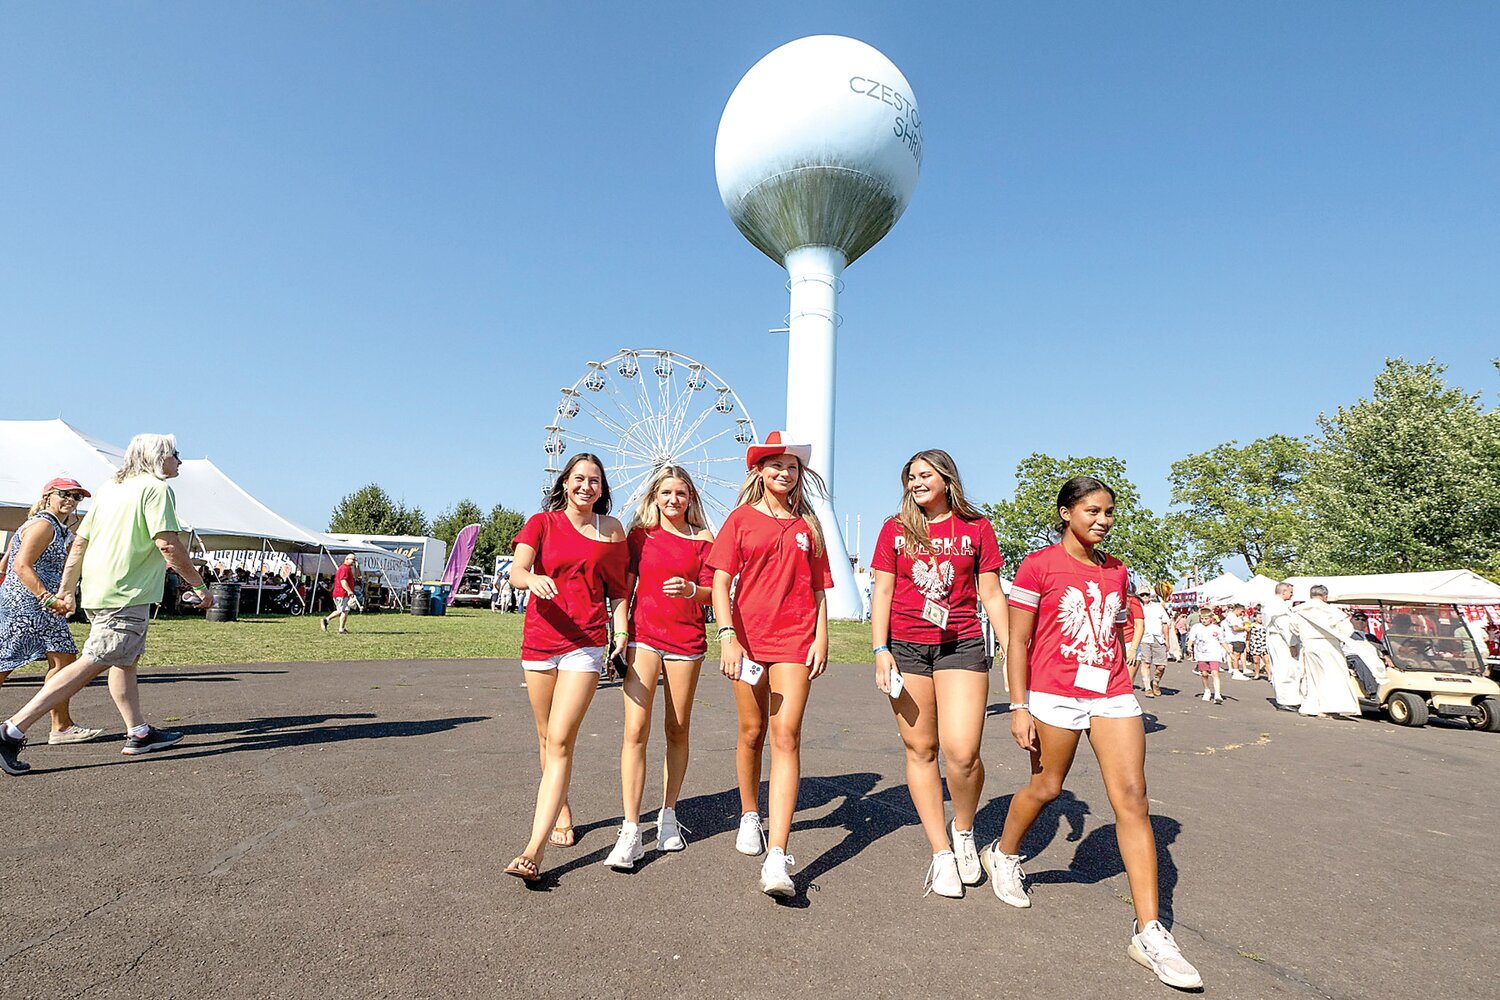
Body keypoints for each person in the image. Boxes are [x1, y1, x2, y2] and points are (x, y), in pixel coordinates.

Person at [981, 476, 1200, 989]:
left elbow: (1121, 624)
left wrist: (1123, 648)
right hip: (1053, 693)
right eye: (1091, 512)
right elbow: (1018, 641)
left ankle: (1149, 932)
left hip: (1112, 692)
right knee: (1047, 787)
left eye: (1108, 513)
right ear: (1065, 513)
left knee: (1133, 799)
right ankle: (1004, 853)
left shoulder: (1118, 571)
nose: (1102, 521)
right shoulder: (1037, 566)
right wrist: (1019, 705)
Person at [1, 434, 214, 776]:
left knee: (124, 660)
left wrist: (69, 589)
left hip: (101, 590)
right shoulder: (156, 489)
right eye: (175, 453)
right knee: (94, 660)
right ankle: (12, 729)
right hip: (126, 592)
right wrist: (200, 586)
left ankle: (139, 732)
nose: (179, 460)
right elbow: (168, 544)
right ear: (158, 457)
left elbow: (81, 544)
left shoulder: (107, 490)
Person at [869, 449, 1009, 898]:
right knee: (921, 748)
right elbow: (883, 591)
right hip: (907, 649)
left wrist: (1010, 647)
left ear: (947, 479)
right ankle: (941, 852)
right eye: (910, 477)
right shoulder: (894, 529)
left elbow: (990, 591)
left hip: (962, 644)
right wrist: (880, 649)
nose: (916, 483)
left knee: (962, 752)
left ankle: (964, 830)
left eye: (925, 475)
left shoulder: (976, 527)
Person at [709, 432, 833, 899]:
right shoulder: (740, 520)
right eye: (775, 465)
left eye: (792, 467)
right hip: (746, 640)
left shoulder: (809, 525)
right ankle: (748, 814)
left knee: (787, 735)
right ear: (759, 472)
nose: (785, 473)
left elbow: (820, 590)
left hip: (796, 640)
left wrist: (822, 636)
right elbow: (721, 582)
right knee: (751, 730)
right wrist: (727, 637)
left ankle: (777, 855)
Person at [503, 454, 629, 881]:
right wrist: (531, 580)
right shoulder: (542, 523)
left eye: (595, 480)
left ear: (602, 487)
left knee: (559, 739)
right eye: (579, 479)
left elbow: (618, 591)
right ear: (566, 482)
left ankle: (532, 851)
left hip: (585, 646)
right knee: (545, 735)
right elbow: (517, 570)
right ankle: (561, 808)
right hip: (540, 640)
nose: (586, 487)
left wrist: (622, 634)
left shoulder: (611, 531)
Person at [603, 466, 715, 870]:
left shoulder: (703, 540)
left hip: (686, 641)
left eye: (681, 493)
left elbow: (711, 593)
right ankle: (631, 828)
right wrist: (618, 635)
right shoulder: (640, 537)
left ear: (690, 498)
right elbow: (623, 589)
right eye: (666, 492)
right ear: (655, 496)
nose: (673, 499)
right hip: (643, 636)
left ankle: (669, 813)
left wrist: (691, 590)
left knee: (677, 728)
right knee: (635, 729)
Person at [0, 478, 104, 745]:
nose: (71, 500)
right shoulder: (44, 524)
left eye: (77, 497)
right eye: (64, 494)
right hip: (29, 605)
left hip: (36, 606)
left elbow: (5, 562)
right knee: (4, 664)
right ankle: (61, 726)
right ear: (47, 496)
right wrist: (46, 598)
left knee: (64, 659)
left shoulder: (50, 525)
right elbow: (20, 566)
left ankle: (61, 726)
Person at [1287, 584, 1358, 718]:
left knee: (1311, 677)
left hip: (1309, 645)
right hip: (1329, 645)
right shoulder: (1333, 611)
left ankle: (1311, 706)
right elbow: (1347, 630)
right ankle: (1328, 707)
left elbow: (1293, 629)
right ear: (1325, 597)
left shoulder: (1299, 610)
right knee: (1333, 676)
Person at [1263, 582, 1302, 709]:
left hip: (1278, 638)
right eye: (1291, 592)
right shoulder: (1277, 605)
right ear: (1284, 591)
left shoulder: (1274, 604)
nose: (1292, 594)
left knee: (1286, 669)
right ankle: (1286, 700)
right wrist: (1292, 644)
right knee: (1286, 669)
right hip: (1281, 639)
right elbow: (1284, 626)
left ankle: (1290, 699)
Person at [1187, 610, 1228, 704]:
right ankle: (1207, 690)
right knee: (1204, 673)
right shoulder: (1196, 627)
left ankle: (1217, 694)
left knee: (1215, 672)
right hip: (1201, 653)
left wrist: (1229, 652)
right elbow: (1191, 638)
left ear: (1211, 619)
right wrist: (1189, 646)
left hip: (1214, 653)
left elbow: (1222, 641)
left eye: (1206, 619)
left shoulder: (1217, 628)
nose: (1204, 620)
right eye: (1202, 619)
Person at [1135, 590, 1171, 697]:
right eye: (1142, 595)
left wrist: (1167, 640)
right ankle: (1148, 688)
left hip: (1158, 638)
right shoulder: (1137, 607)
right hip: (1143, 638)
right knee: (1146, 664)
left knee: (1161, 666)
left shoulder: (1157, 607)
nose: (1145, 596)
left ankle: (1155, 682)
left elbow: (1165, 624)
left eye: (1147, 594)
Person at [321, 555, 359, 634]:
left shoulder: (348, 568)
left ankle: (341, 629)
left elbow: (358, 576)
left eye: (355, 560)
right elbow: (343, 581)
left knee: (345, 610)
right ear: (347, 559)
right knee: (341, 610)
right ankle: (326, 620)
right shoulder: (344, 568)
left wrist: (357, 567)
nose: (354, 561)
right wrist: (349, 590)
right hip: (341, 593)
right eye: (353, 560)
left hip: (343, 593)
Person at [1222, 604, 1248, 678]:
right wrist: (1244, 628)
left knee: (1237, 655)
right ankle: (1236, 672)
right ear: (1237, 609)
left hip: (1238, 638)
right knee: (1236, 655)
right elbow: (1235, 628)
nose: (1242, 613)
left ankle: (1236, 671)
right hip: (1235, 638)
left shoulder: (1234, 617)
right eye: (1241, 611)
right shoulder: (1231, 617)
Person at [1245, 607, 1269, 680]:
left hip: (1264, 644)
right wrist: (1247, 645)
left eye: (1262, 617)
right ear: (1255, 618)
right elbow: (1248, 636)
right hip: (1255, 644)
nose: (1261, 619)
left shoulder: (1265, 626)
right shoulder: (1251, 626)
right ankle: (1257, 674)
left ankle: (1270, 675)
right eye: (1259, 617)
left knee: (1267, 661)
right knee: (1256, 661)